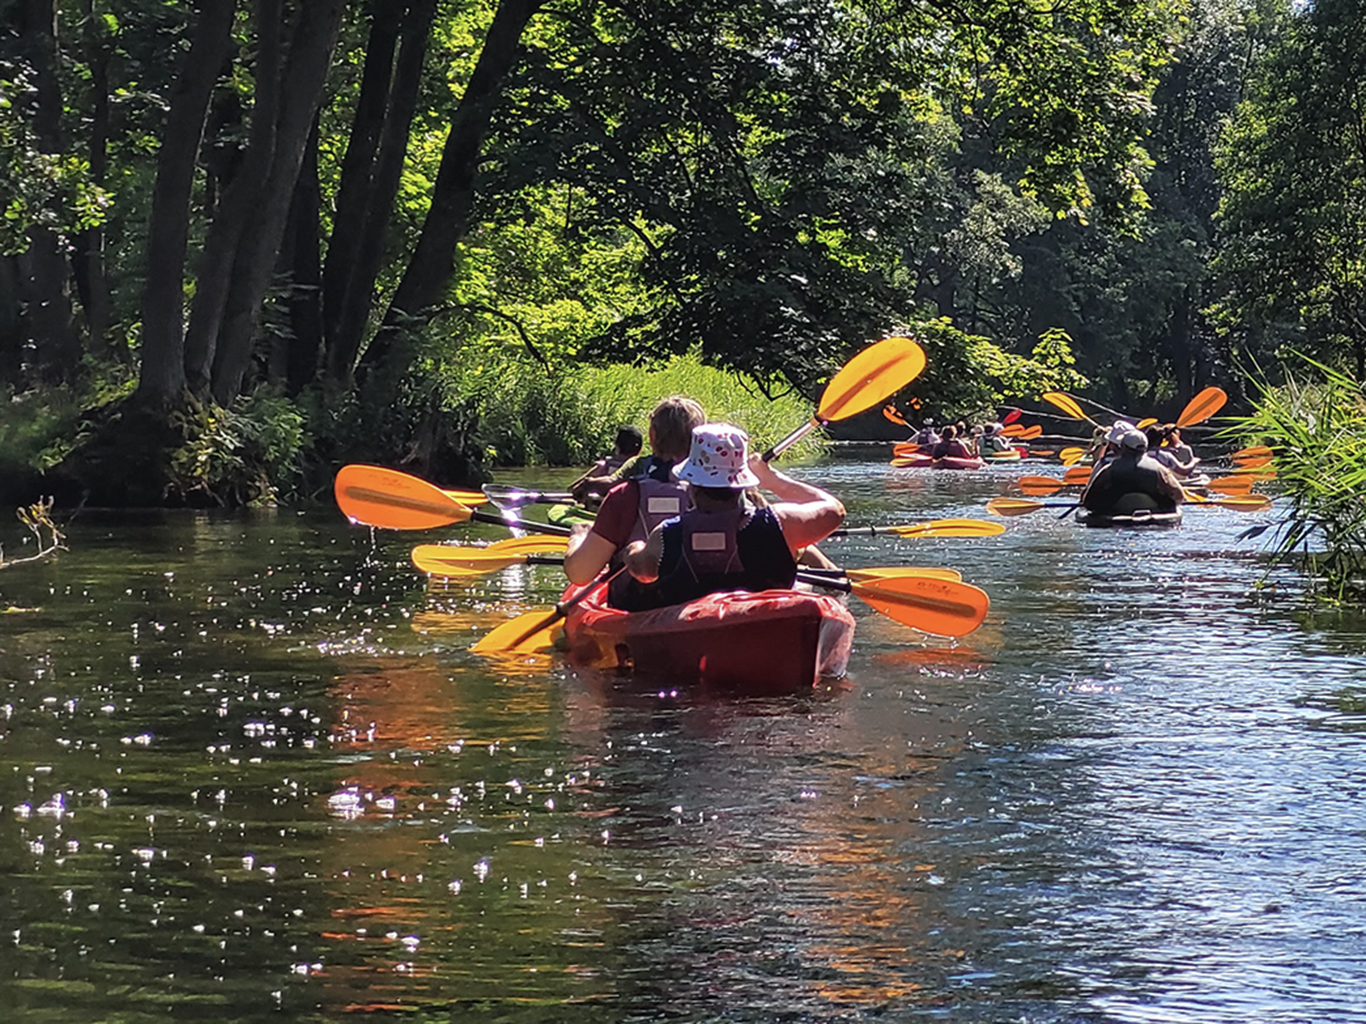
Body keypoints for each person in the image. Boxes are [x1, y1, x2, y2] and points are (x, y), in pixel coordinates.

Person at [622, 424, 846, 608]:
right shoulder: (780, 522)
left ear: (692, 484)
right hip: (767, 630)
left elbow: (642, 571)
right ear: (743, 485)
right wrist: (771, 479)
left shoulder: (664, 535)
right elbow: (834, 510)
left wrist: (634, 546)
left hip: (694, 638)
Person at [563, 396, 705, 608]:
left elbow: (580, 574)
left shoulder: (624, 495)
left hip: (633, 606)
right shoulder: (717, 493)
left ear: (652, 436)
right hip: (698, 605)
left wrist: (579, 537)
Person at [1081, 425, 1185, 516]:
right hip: (1153, 513)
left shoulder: (1108, 469)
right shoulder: (1159, 469)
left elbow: (1089, 501)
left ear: (1123, 447)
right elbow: (1179, 495)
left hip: (1115, 513)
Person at [570, 424, 644, 506]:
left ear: (617, 446)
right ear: (640, 450)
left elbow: (572, 489)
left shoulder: (603, 466)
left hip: (600, 510)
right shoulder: (643, 469)